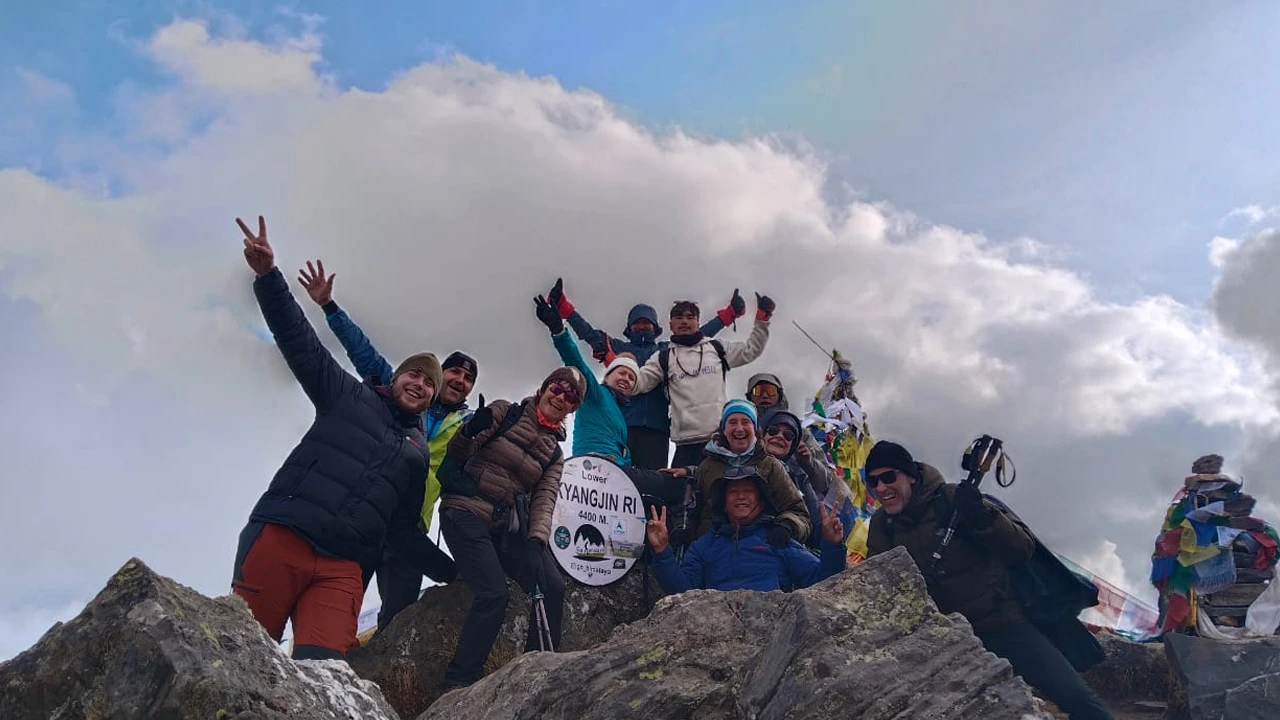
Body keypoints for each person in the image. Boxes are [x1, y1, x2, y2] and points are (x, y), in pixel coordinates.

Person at [229, 216, 455, 660]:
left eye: (429, 383)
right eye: (413, 374)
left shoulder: (417, 454)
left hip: (343, 568)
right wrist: (269, 276)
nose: (419, 384)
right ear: (395, 377)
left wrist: (455, 573)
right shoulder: (347, 395)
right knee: (244, 656)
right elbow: (300, 342)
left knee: (326, 672)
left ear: (432, 397)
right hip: (284, 534)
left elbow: (403, 532)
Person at [864, 441, 1114, 720]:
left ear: (910, 475)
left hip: (1003, 625)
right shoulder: (883, 526)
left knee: (1075, 697)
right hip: (944, 642)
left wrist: (983, 517)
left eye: (888, 477)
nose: (881, 488)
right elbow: (877, 582)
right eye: (872, 482)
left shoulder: (953, 500)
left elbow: (1021, 548)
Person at [297, 259, 479, 632]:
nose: (460, 380)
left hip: (411, 526)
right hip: (367, 512)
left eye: (468, 378)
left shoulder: (470, 425)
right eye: (454, 371)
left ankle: (386, 667)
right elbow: (362, 352)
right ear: (440, 374)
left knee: (398, 617)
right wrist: (329, 307)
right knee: (337, 601)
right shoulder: (404, 391)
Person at [436, 367, 584, 689]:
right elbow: (458, 452)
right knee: (494, 594)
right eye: (557, 388)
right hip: (464, 510)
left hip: (503, 527)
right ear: (544, 388)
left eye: (571, 396)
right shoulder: (506, 412)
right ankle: (459, 681)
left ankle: (536, 674)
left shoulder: (554, 454)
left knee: (552, 586)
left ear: (573, 408)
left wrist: (536, 542)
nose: (560, 397)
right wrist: (468, 432)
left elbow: (545, 499)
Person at [547, 279, 743, 470]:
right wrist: (565, 309)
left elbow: (700, 335)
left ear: (655, 327)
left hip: (657, 430)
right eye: (637, 322)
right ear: (629, 327)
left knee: (652, 483)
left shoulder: (667, 351)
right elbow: (588, 333)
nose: (642, 326)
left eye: (647, 322)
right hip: (623, 426)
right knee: (619, 478)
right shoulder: (617, 348)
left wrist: (729, 315)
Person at [647, 465, 846, 593]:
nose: (741, 496)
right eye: (733, 492)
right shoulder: (704, 546)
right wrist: (662, 551)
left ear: (761, 503)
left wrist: (832, 545)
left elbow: (823, 581)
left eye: (748, 491)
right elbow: (682, 591)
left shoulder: (778, 541)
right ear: (724, 505)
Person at [633, 295, 774, 468]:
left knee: (721, 485)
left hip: (719, 440)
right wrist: (617, 373)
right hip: (684, 444)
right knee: (679, 486)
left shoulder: (716, 348)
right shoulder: (663, 357)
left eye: (690, 317)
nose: (684, 322)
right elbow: (639, 383)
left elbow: (751, 350)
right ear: (670, 325)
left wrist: (762, 320)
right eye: (679, 317)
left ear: (698, 322)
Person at [664, 400, 811, 548]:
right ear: (724, 430)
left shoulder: (771, 466)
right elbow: (693, 510)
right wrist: (686, 530)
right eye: (732, 422)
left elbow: (798, 512)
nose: (739, 429)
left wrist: (786, 526)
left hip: (760, 549)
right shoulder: (707, 466)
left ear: (755, 429)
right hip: (712, 550)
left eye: (746, 422)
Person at [758, 407, 855, 550]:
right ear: (761, 435)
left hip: (788, 546)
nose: (780, 436)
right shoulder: (746, 466)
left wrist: (829, 534)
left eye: (788, 435)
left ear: (792, 446)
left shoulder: (799, 476)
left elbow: (813, 524)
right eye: (773, 430)